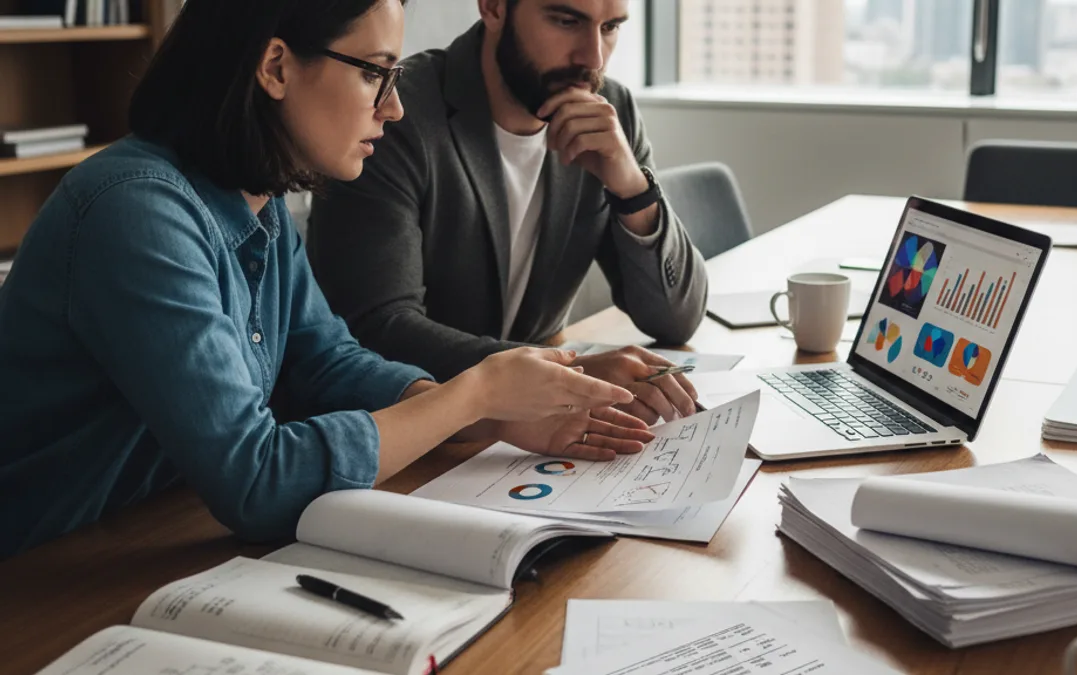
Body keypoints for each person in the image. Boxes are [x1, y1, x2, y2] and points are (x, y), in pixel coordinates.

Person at [0, 0, 657, 559]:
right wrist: (476, 392)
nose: (395, 109)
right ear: (277, 66)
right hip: (39, 568)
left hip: (138, 535)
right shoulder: (135, 210)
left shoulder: (259, 200)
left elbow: (325, 363)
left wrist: (489, 419)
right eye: (376, 73)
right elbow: (256, 482)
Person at [307, 0, 708, 425]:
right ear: (494, 8)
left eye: (609, 28)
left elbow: (675, 320)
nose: (593, 57)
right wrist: (565, 373)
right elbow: (377, 328)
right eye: (566, 21)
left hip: (537, 433)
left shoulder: (610, 113)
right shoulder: (394, 114)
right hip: (412, 430)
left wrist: (634, 191)